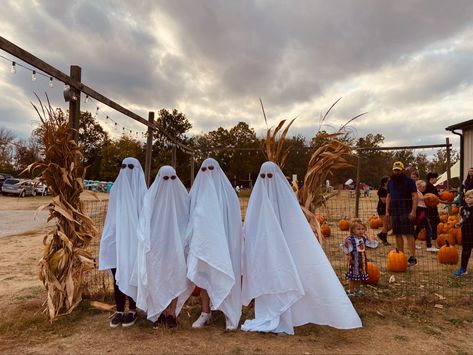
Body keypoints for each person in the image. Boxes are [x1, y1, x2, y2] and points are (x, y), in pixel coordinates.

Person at [241, 161, 362, 335]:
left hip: (286, 257)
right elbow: (251, 227)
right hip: (265, 256)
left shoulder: (286, 203)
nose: (267, 181)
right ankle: (268, 314)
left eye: (270, 176)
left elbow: (296, 231)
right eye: (263, 177)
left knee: (286, 281)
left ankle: (288, 318)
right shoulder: (257, 202)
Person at [133, 166, 193, 328]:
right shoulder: (150, 197)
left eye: (172, 178)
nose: (169, 182)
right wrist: (146, 243)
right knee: (156, 279)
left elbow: (189, 221)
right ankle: (158, 312)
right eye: (165, 179)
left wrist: (185, 241)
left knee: (176, 278)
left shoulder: (183, 198)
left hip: (177, 248)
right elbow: (143, 223)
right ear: (159, 179)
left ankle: (171, 313)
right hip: (156, 248)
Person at [186, 158, 242, 330]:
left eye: (211, 169)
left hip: (224, 244)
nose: (208, 173)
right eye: (204, 170)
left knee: (224, 273)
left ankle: (228, 312)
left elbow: (234, 222)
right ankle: (205, 312)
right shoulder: (195, 193)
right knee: (204, 277)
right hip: (202, 245)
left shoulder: (228, 195)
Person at [99, 157, 147, 328]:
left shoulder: (143, 193)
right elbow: (111, 217)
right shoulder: (116, 190)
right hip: (117, 240)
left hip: (135, 242)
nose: (126, 170)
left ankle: (133, 310)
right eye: (123, 166)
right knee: (117, 275)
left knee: (133, 274)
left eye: (131, 167)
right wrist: (109, 239)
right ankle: (119, 310)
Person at [386, 161, 418, 267]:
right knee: (397, 234)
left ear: (402, 170)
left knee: (409, 234)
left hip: (406, 211)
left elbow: (414, 196)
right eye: (395, 170)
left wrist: (413, 211)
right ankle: (401, 256)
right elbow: (389, 196)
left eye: (399, 170)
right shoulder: (390, 182)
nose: (397, 172)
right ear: (393, 170)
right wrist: (387, 211)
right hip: (394, 212)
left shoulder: (409, 181)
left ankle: (412, 257)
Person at [340, 219, 379, 296]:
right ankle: (351, 290)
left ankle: (357, 289)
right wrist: (346, 244)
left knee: (360, 276)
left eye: (362, 229)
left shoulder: (363, 239)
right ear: (353, 230)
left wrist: (368, 237)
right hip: (354, 261)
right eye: (358, 229)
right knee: (352, 277)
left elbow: (373, 244)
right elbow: (346, 248)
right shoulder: (351, 239)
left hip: (362, 261)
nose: (361, 231)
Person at [414, 180, 438, 252]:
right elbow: (420, 199)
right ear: (418, 186)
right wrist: (428, 197)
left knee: (419, 227)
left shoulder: (421, 192)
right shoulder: (416, 192)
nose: (424, 188)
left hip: (423, 211)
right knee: (428, 228)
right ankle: (429, 246)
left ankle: (412, 243)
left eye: (425, 187)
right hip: (420, 211)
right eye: (423, 187)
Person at [454, 189, 473, 277]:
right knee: (465, 251)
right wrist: (459, 223)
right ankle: (463, 268)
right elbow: (463, 218)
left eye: (471, 197)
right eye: (466, 197)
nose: (468, 199)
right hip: (466, 232)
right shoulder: (464, 208)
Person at [425, 172, 442, 243]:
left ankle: (431, 239)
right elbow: (435, 198)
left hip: (427, 208)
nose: (436, 180)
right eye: (436, 178)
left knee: (429, 224)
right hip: (431, 208)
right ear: (432, 178)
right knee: (433, 223)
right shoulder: (431, 187)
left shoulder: (427, 186)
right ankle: (433, 240)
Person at [376, 176, 391, 246]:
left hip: (389, 209)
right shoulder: (381, 190)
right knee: (385, 225)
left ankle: (381, 234)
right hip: (382, 209)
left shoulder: (390, 189)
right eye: (389, 181)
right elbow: (384, 201)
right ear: (385, 183)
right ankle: (384, 240)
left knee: (391, 225)